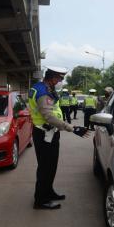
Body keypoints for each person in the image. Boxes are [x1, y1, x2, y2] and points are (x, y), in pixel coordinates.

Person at [28, 67, 89, 210]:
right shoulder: (43, 92)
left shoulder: (41, 87)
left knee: (51, 166)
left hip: (49, 133)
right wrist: (71, 128)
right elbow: (48, 116)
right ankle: (40, 200)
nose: (61, 81)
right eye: (60, 78)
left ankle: (49, 192)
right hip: (45, 134)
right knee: (46, 168)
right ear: (53, 78)